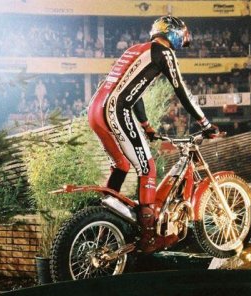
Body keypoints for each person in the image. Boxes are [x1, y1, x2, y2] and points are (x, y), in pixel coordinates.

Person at [87, 16, 219, 253]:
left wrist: (146, 125)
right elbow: (182, 91)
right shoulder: (164, 53)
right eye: (183, 36)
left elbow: (131, 92)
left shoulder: (137, 49)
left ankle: (105, 219)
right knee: (147, 168)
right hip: (115, 109)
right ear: (175, 34)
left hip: (96, 109)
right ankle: (149, 236)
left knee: (121, 166)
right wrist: (205, 122)